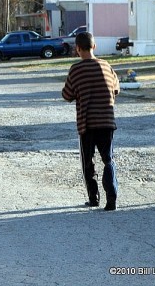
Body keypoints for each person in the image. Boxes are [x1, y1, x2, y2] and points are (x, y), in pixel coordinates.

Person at [62, 32, 120, 211]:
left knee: (88, 161)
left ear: (77, 48)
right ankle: (112, 196)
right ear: (94, 46)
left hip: (86, 123)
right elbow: (116, 89)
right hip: (107, 121)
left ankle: (93, 197)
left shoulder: (76, 70)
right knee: (108, 159)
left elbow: (67, 95)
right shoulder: (106, 66)